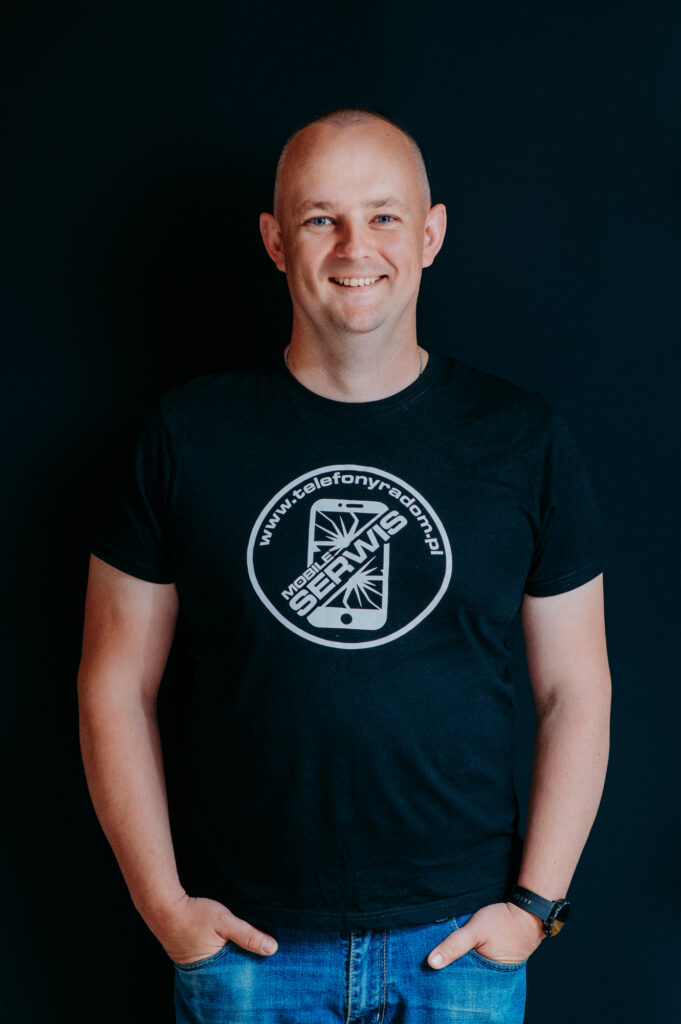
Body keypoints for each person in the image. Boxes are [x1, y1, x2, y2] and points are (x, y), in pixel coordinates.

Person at [78, 107, 612, 1024]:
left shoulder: (522, 439)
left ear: (431, 233)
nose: (353, 246)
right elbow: (113, 683)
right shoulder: (186, 435)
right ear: (275, 241)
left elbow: (576, 689)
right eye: (321, 218)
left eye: (385, 216)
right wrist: (166, 910)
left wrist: (532, 911)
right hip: (249, 950)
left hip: (456, 953)